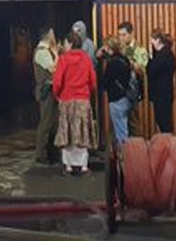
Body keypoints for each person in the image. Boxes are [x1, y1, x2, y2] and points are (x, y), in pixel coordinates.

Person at [53, 31, 97, 176]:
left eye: (65, 43)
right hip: (83, 99)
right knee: (82, 132)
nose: (64, 46)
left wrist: (57, 95)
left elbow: (57, 82)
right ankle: (83, 166)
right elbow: (93, 81)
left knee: (67, 133)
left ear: (70, 43)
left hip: (67, 99)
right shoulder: (86, 59)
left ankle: (69, 167)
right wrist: (87, 93)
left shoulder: (63, 59)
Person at [32, 26, 59, 165]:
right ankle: (41, 154)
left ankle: (51, 152)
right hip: (46, 90)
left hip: (51, 90)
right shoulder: (42, 52)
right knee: (46, 122)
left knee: (53, 122)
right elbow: (53, 68)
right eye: (52, 33)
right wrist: (57, 53)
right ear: (47, 36)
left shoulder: (46, 50)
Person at [102, 35, 134, 146]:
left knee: (120, 132)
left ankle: (124, 158)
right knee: (124, 127)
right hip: (127, 97)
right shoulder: (125, 59)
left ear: (109, 47)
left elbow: (106, 82)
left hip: (116, 99)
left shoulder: (112, 63)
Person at [146, 28, 176, 135]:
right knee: (163, 121)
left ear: (158, 40)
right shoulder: (166, 54)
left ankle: (168, 146)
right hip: (163, 93)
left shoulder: (164, 55)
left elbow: (150, 70)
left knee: (164, 123)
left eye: (152, 39)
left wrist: (150, 56)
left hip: (162, 94)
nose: (150, 42)